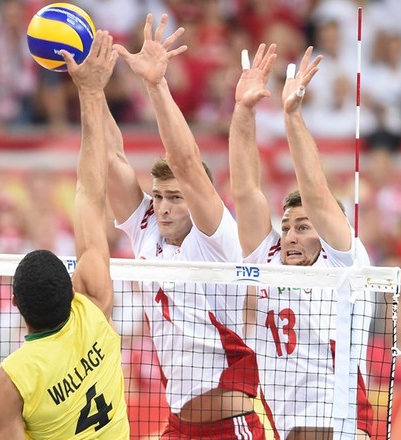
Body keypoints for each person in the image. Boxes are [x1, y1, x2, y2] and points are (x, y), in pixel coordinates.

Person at [110, 13, 267, 439]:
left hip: (229, 428)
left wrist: (156, 85)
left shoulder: (215, 237)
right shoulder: (146, 230)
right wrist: (91, 90)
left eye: (175, 198)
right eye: (158, 197)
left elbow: (185, 163)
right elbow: (111, 160)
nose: (161, 208)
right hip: (176, 426)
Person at [0, 31, 129, 439]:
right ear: (72, 288)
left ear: (16, 304)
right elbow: (90, 192)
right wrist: (89, 91)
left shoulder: (9, 380)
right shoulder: (95, 309)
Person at [229, 46, 374, 439]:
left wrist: (291, 116)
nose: (291, 235)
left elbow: (315, 192)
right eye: (288, 226)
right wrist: (244, 111)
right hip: (288, 424)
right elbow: (245, 190)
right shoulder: (270, 257)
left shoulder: (342, 262)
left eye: (304, 227)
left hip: (338, 419)